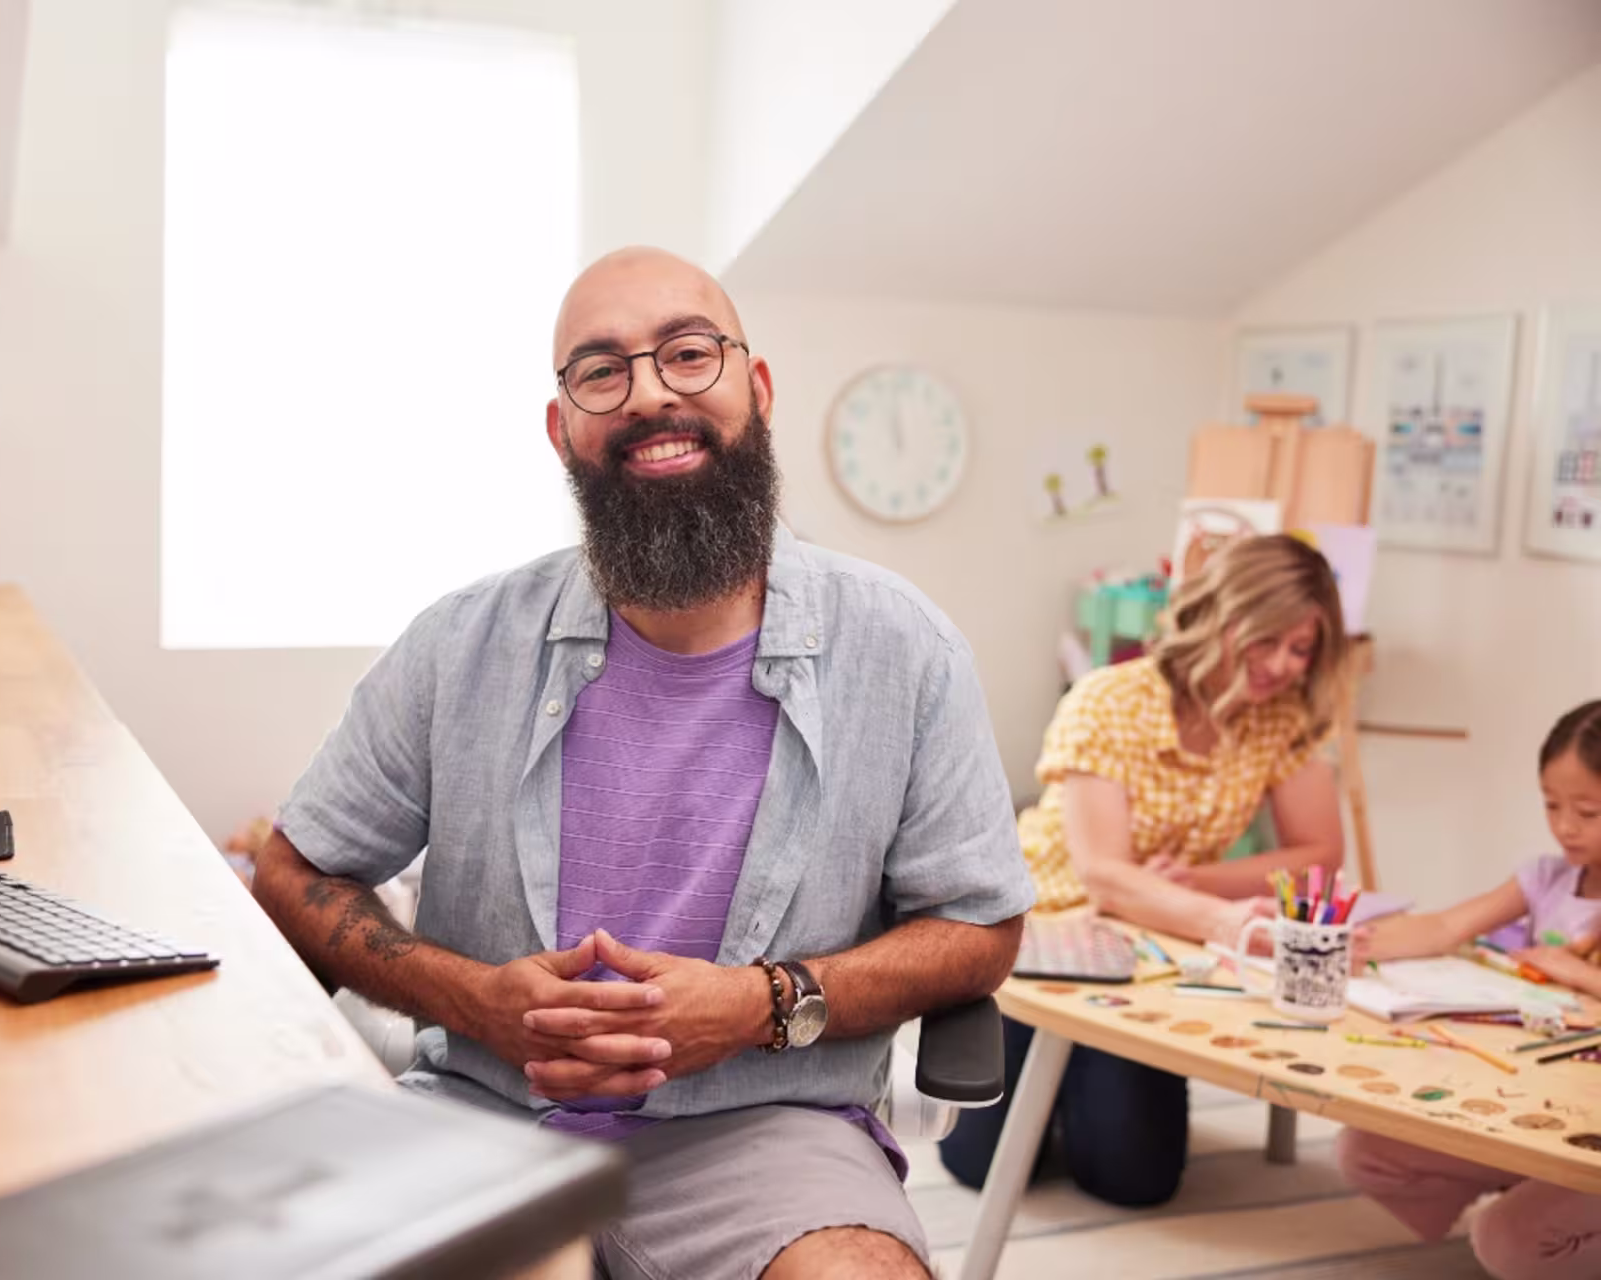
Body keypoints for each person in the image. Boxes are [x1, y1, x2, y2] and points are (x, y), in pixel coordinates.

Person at [251, 246, 1035, 1279]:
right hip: (486, 1114)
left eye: (688, 353)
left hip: (772, 1128)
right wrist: (476, 998)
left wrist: (764, 1001)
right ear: (561, 426)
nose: (651, 393)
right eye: (601, 370)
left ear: (755, 389)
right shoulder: (459, 643)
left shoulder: (905, 649)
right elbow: (293, 870)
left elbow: (981, 923)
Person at [940, 534, 1349, 1206]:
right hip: (1041, 936)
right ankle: (1045, 1066)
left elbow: (1319, 855)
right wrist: (1223, 918)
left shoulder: (1283, 718)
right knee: (982, 1167)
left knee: (1137, 1180)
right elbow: (1105, 876)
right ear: (1221, 618)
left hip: (1150, 941)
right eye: (1265, 640)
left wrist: (1193, 884)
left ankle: (1076, 1085)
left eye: (1301, 649)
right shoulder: (1110, 700)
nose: (1281, 664)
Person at [1335, 701, 1601, 1280]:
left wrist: (1576, 972)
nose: (1564, 827)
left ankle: (1541, 1227)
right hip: (1536, 1101)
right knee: (1367, 1149)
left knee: (1507, 1240)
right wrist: (1355, 940)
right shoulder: (1548, 876)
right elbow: (1444, 927)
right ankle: (1533, 1196)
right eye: (1551, 805)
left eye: (1588, 810)